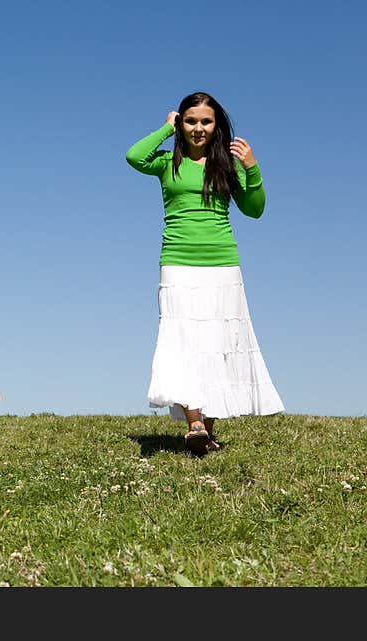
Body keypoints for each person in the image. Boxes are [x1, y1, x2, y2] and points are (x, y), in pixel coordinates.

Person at [125, 91, 284, 455]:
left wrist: (252, 167)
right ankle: (194, 421)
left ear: (217, 126)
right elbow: (134, 156)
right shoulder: (167, 163)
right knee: (183, 341)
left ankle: (205, 432)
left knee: (219, 345)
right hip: (178, 263)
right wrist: (166, 129)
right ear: (182, 123)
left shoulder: (226, 165)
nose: (198, 128)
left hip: (223, 265)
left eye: (206, 121)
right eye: (191, 120)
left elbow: (255, 209)